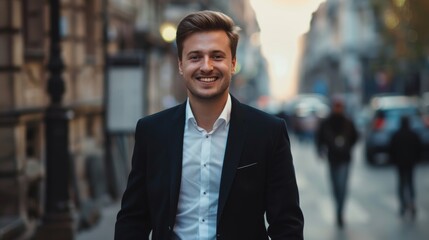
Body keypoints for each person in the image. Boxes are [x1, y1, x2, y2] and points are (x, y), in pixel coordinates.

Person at [114, 10, 304, 240]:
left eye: (217, 56)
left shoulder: (268, 132)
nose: (206, 66)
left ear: (233, 63)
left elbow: (287, 224)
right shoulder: (152, 132)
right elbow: (133, 218)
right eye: (195, 57)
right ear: (181, 64)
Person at [315, 98, 358, 228]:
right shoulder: (327, 123)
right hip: (332, 159)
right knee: (335, 186)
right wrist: (320, 151)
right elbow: (319, 138)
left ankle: (340, 211)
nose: (338, 108)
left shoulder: (348, 122)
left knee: (342, 186)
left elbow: (355, 137)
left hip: (345, 159)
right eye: (336, 106)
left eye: (340, 106)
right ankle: (338, 208)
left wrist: (347, 146)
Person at [388, 115, 422, 219]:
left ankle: (403, 204)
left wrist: (394, 160)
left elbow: (391, 150)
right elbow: (419, 149)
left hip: (400, 164)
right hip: (410, 163)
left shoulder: (396, 135)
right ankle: (411, 202)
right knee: (410, 183)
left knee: (402, 184)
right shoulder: (413, 135)